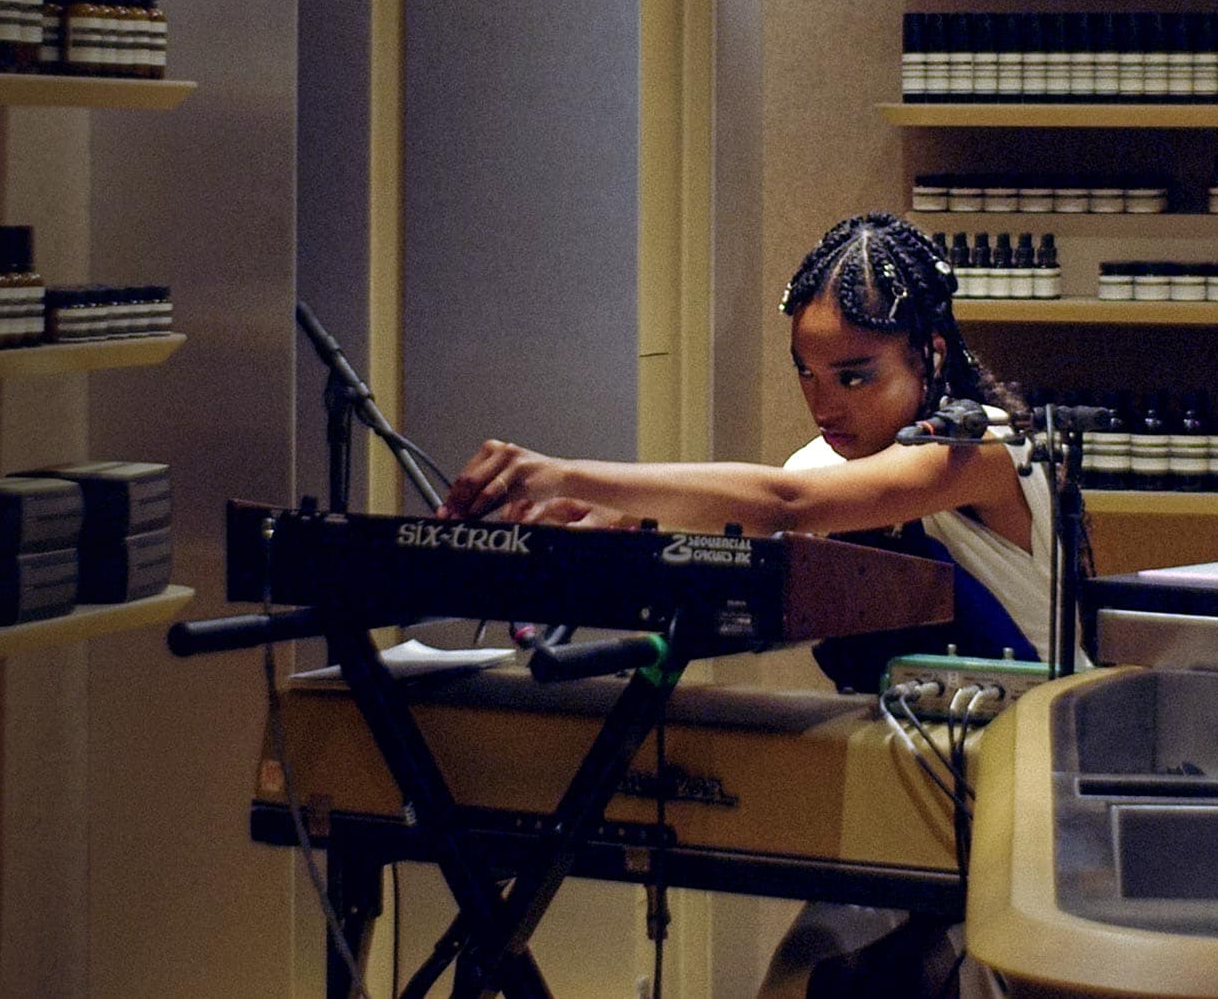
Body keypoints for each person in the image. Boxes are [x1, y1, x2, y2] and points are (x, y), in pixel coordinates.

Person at [439, 212, 1056, 688]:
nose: (825, 405)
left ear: (932, 354)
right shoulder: (817, 467)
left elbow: (785, 503)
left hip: (1039, 747)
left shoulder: (984, 447)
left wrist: (565, 475)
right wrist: (622, 521)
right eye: (806, 373)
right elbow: (759, 522)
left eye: (854, 376)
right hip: (908, 743)